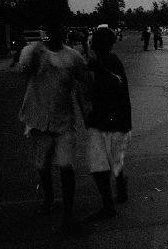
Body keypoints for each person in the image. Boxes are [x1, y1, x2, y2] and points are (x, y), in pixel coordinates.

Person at [18, 21, 89, 233]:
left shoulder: (73, 57)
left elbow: (84, 82)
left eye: (60, 29)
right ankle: (49, 200)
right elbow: (23, 70)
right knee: (42, 166)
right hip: (38, 120)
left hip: (63, 121)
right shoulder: (33, 52)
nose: (57, 33)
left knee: (66, 167)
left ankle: (68, 214)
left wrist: (87, 113)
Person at [85, 27, 132, 220]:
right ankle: (119, 188)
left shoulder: (108, 61)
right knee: (111, 162)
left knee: (100, 165)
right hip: (114, 121)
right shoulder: (106, 61)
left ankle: (108, 205)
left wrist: (98, 68)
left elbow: (116, 83)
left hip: (110, 120)